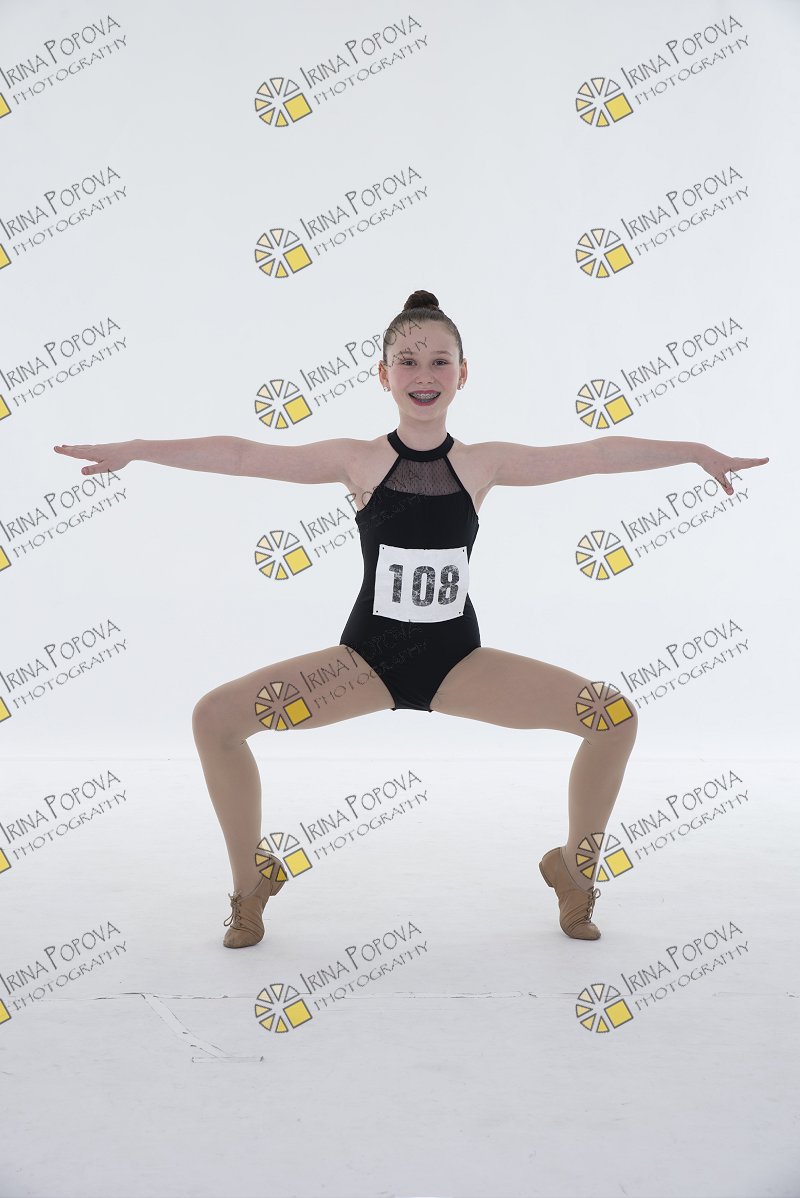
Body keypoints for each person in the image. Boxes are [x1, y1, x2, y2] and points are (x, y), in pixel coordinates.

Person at [53, 289, 770, 949]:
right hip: (365, 664)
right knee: (215, 718)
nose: (423, 373)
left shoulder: (484, 464)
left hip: (458, 665)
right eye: (408, 360)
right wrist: (136, 451)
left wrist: (693, 453)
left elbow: (596, 454)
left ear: (463, 374)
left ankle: (573, 872)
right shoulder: (357, 461)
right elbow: (243, 454)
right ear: (383, 375)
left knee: (612, 717)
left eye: (439, 360)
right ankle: (250, 885)